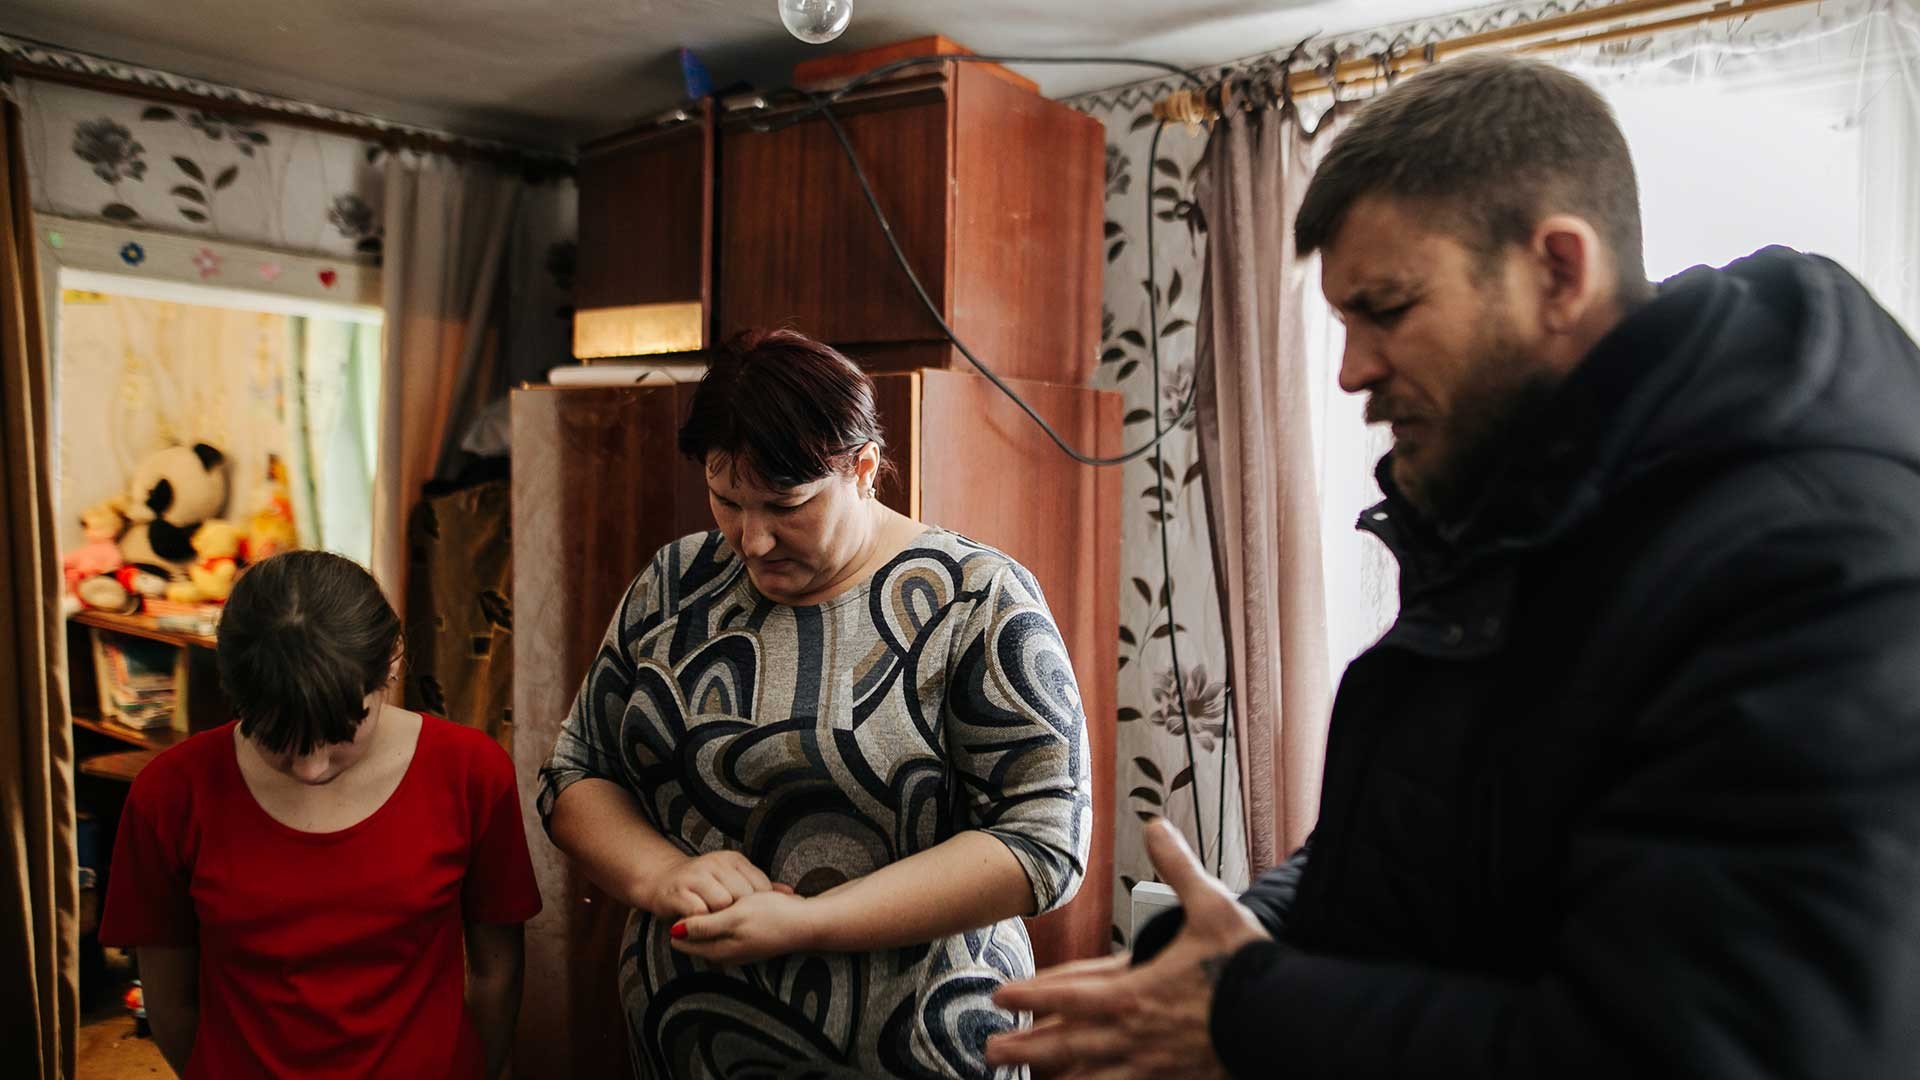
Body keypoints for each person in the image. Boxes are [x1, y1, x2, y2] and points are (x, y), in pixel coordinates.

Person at [987, 53, 1920, 1079]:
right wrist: (1239, 943)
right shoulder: (1516, 506)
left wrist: (1248, 1014)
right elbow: (1429, 833)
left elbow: (1703, 1049)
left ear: (1559, 271)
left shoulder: (1817, 569)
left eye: (1385, 310)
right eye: (1341, 322)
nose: (1350, 372)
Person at [538, 328, 1092, 1079]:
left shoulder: (977, 600)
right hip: (688, 1047)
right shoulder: (675, 583)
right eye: (726, 499)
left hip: (915, 1051)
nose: (752, 540)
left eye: (785, 505)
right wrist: (660, 874)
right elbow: (576, 773)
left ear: (863, 468)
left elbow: (1044, 842)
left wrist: (811, 924)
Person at [100, 550, 541, 1078]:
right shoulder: (169, 794)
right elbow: (170, 999)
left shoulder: (472, 773)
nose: (311, 770)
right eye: (276, 740)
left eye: (340, 735)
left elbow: (497, 974)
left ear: (393, 661)